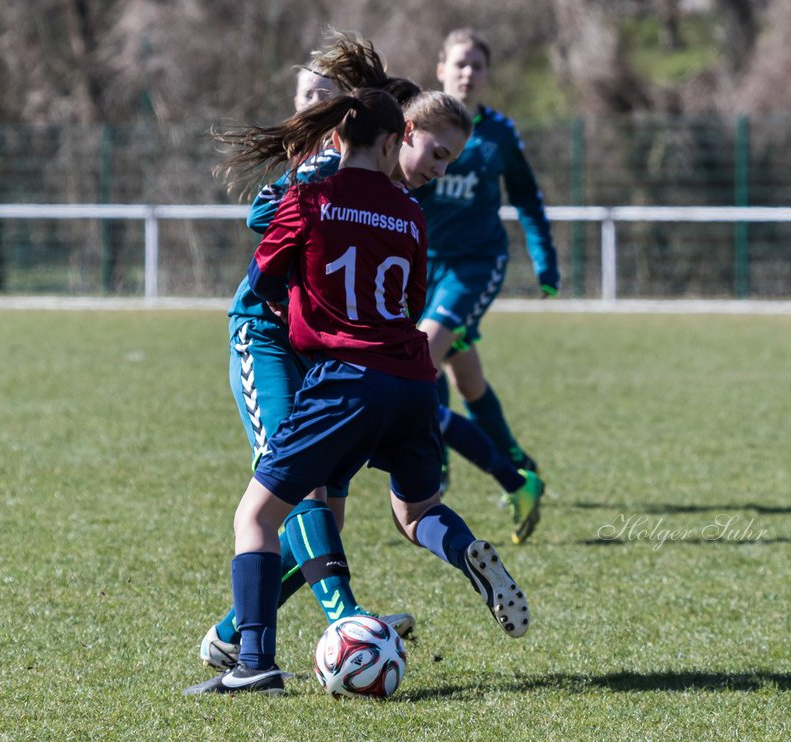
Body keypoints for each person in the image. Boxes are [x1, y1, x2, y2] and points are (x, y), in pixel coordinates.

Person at [197, 34, 539, 672]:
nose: (438, 171)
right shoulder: (350, 185)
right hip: (277, 337)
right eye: (433, 155)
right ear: (396, 137)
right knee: (321, 506)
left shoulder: (398, 201)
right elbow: (267, 223)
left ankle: (265, 645)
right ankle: (327, 621)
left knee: (292, 508)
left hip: (340, 363)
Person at [415, 28, 558, 528]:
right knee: (466, 379)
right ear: (441, 69)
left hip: (474, 266)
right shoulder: (415, 126)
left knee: (420, 358)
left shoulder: (498, 133)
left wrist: (545, 260)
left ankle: (435, 464)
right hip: (419, 267)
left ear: (487, 73)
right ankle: (520, 465)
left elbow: (527, 196)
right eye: (460, 63)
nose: (468, 72)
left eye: (477, 64)